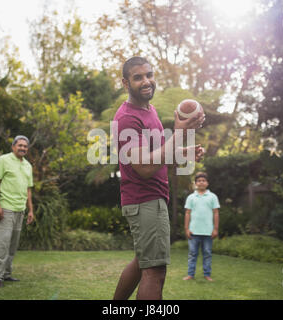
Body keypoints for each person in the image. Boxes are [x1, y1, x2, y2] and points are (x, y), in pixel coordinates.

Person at [112, 56, 205, 300]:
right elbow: (143, 167)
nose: (147, 81)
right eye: (138, 77)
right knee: (154, 271)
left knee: (143, 262)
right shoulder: (126, 119)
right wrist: (180, 132)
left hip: (150, 199)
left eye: (149, 75)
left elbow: (158, 155)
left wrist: (185, 150)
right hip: (145, 200)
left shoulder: (149, 111)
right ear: (126, 83)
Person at [0, 135, 34, 288]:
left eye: (25, 146)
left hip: (20, 210)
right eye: (20, 145)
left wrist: (30, 210)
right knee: (2, 243)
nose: (22, 148)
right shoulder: (3, 160)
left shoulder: (28, 165)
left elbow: (28, 189)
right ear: (13, 146)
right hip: (6, 208)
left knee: (12, 245)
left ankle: (6, 274)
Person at [183, 172, 220, 282]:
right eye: (199, 181)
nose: (201, 182)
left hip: (208, 232)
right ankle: (190, 274)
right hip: (194, 231)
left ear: (207, 183)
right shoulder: (191, 197)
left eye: (203, 180)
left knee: (207, 254)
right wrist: (186, 229)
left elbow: (216, 213)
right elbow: (187, 213)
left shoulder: (212, 197)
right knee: (192, 254)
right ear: (195, 183)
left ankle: (207, 274)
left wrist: (215, 228)